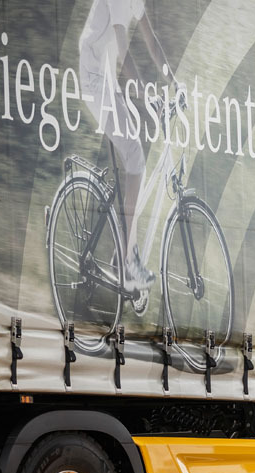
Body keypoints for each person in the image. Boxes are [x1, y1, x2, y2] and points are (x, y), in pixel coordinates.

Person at [79, 0, 177, 293]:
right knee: (134, 156)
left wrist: (174, 82)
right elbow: (123, 52)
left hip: (106, 79)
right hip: (96, 79)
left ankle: (121, 253)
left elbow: (152, 42)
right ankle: (127, 258)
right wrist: (148, 94)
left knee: (135, 154)